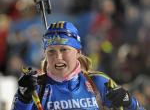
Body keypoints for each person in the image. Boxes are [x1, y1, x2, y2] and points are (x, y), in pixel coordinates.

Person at [11, 21, 144, 110]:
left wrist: (130, 103)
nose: (58, 57)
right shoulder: (37, 88)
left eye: (64, 50)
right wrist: (23, 98)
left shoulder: (97, 82)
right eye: (51, 51)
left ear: (78, 52)